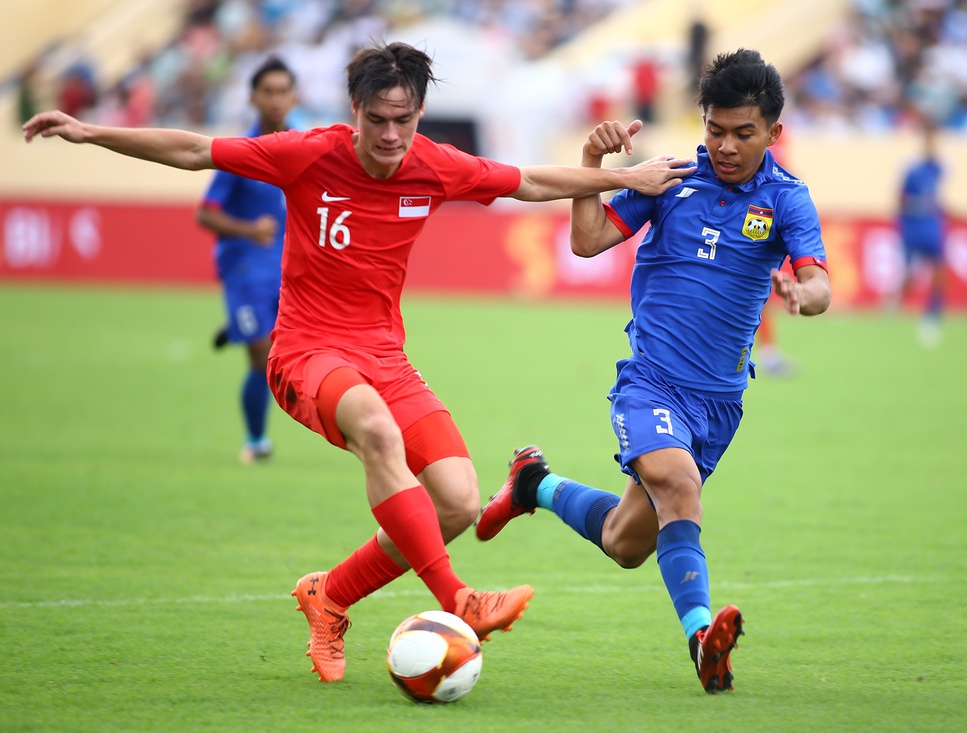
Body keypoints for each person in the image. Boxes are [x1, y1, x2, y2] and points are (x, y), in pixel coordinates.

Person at [23, 41, 693, 685]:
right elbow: (197, 150)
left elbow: (531, 181)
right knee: (376, 428)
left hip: (384, 354)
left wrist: (623, 178)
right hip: (306, 352)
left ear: (419, 115)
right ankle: (459, 599)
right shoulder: (308, 153)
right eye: (377, 120)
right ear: (354, 110)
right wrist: (89, 132)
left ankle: (330, 594)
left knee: (457, 502)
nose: (391, 135)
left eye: (404, 120)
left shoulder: (434, 164)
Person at [476, 49, 830, 694]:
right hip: (651, 383)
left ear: (773, 133)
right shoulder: (667, 179)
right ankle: (702, 641)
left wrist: (803, 295)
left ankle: (535, 485)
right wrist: (595, 167)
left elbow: (818, 283)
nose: (725, 146)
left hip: (719, 403)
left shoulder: (787, 200)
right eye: (714, 129)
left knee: (626, 542)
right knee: (678, 484)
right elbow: (586, 243)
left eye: (743, 133)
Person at [197, 56, 296, 464]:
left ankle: (237, 323)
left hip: (285, 270)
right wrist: (248, 230)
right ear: (254, 96)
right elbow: (206, 212)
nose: (276, 99)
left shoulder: (301, 150)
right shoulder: (240, 152)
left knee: (287, 352)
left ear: (294, 96)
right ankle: (256, 443)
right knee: (261, 357)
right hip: (243, 267)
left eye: (283, 91)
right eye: (267, 91)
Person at [893, 122, 947, 348]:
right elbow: (901, 200)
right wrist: (917, 207)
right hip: (914, 227)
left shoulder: (939, 169)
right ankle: (896, 306)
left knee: (939, 271)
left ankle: (932, 313)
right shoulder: (913, 171)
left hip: (932, 227)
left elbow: (936, 197)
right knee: (910, 274)